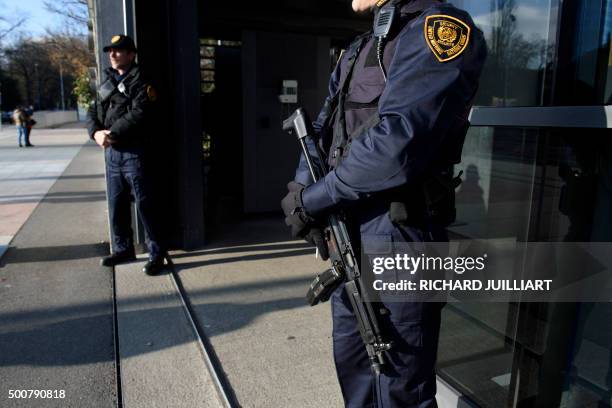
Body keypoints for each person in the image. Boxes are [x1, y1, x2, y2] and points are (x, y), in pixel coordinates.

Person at [281, 0, 486, 406]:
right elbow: (323, 127)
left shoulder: (442, 29)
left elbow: (397, 143)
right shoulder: (361, 46)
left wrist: (314, 199)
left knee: (398, 386)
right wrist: (300, 191)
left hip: (401, 235)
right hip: (350, 232)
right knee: (355, 369)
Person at [86, 34, 167, 276]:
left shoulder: (142, 79)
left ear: (131, 54)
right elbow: (93, 110)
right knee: (117, 204)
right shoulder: (108, 80)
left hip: (135, 152)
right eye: (111, 50)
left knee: (145, 205)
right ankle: (123, 249)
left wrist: (111, 133)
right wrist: (95, 133)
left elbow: (141, 112)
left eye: (119, 51)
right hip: (113, 154)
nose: (113, 54)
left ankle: (156, 253)